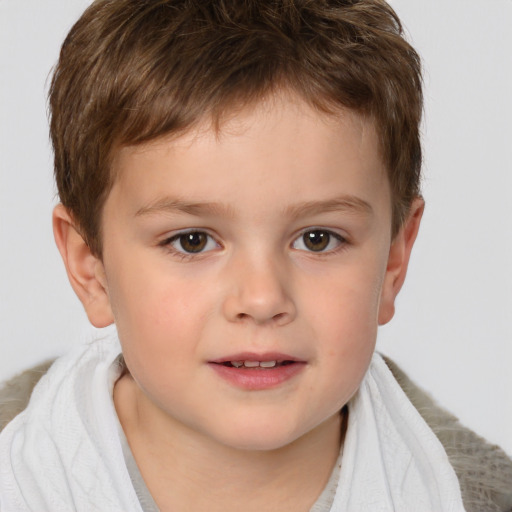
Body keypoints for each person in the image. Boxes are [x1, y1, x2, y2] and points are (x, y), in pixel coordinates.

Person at [0, 0, 511, 511]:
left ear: (394, 262)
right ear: (91, 268)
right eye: (192, 241)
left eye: (318, 239)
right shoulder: (20, 474)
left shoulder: (474, 494)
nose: (262, 299)